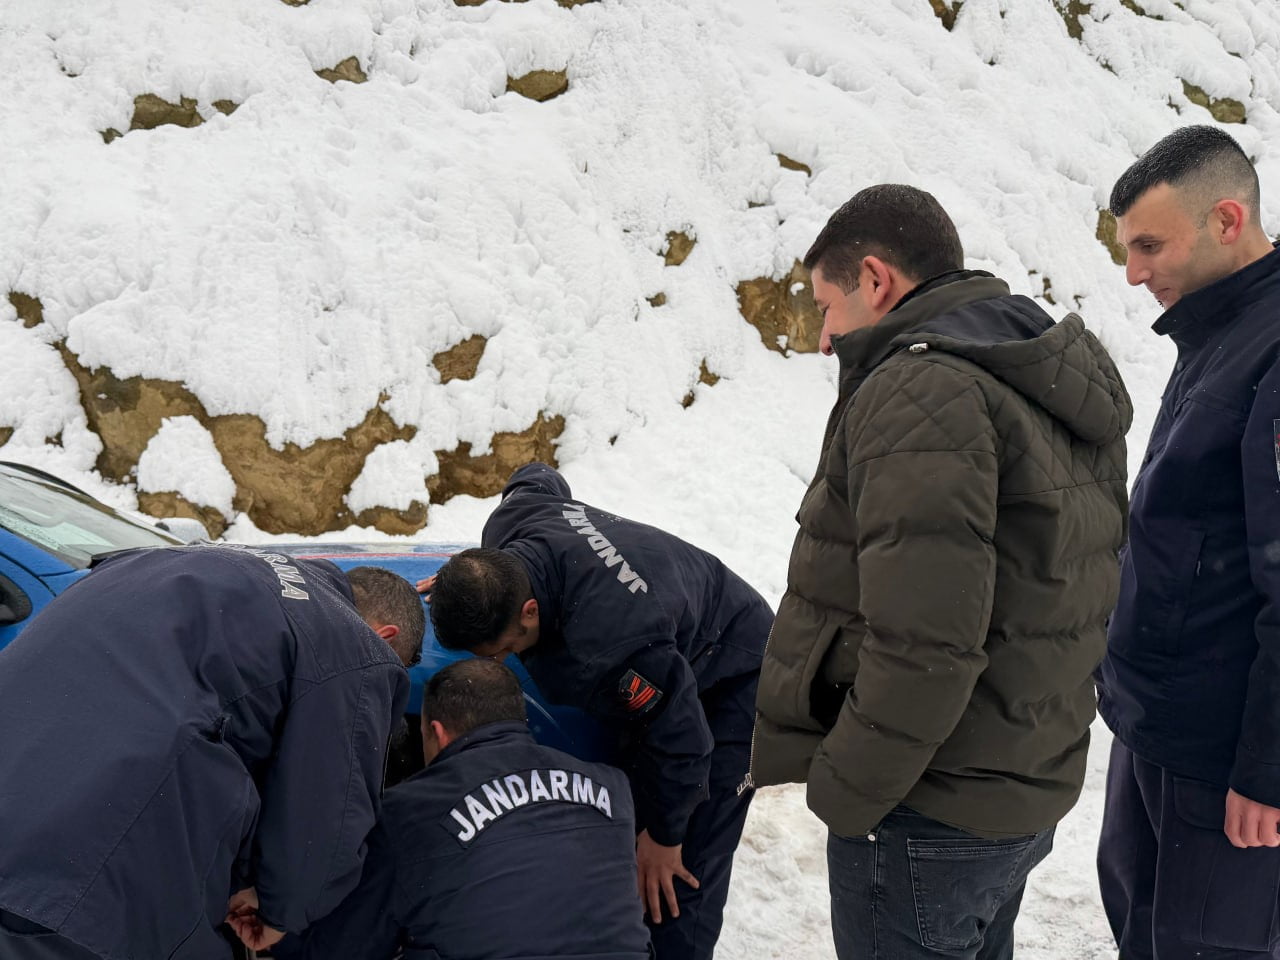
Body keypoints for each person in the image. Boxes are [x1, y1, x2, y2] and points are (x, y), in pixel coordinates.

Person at [749, 184, 1131, 959]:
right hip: (1017, 782)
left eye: (828, 306)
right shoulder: (1027, 367)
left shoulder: (921, 388)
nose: (824, 338)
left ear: (878, 280)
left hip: (931, 808)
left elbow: (926, 639)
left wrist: (848, 791)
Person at [0, 543, 424, 960]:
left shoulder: (155, 561)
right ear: (385, 637)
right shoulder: (353, 646)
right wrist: (282, 913)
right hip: (83, 891)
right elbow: (326, 821)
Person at [420, 463, 771, 960]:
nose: (496, 663)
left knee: (672, 882)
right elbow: (536, 476)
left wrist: (667, 837)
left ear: (529, 611)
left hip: (733, 674)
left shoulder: (613, 645)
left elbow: (686, 742)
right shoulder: (512, 527)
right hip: (672, 635)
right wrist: (462, 584)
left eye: (501, 650)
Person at [1095, 125, 1280, 959]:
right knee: (1144, 931)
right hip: (1157, 730)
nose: (1132, 273)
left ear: (1228, 220)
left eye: (1149, 246)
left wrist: (1267, 768)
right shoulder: (1216, 328)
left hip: (1226, 761)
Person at [269, 656, 652, 960]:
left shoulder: (409, 809)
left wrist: (279, 931)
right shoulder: (611, 786)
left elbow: (349, 947)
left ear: (436, 731)